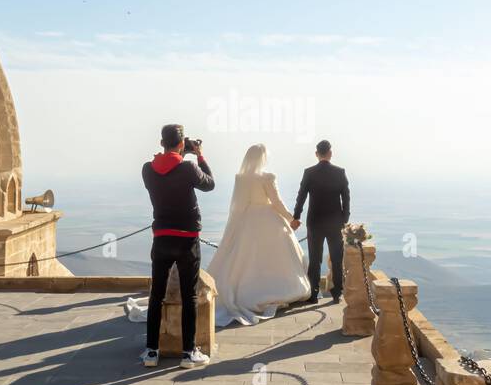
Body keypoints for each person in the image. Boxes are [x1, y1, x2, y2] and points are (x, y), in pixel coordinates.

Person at [205, 144, 310, 326]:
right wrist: (291, 218)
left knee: (246, 258)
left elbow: (238, 205)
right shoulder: (267, 177)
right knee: (274, 256)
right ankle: (276, 289)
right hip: (268, 219)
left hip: (247, 220)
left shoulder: (241, 178)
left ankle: (245, 291)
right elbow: (276, 202)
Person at [137, 124, 214, 369]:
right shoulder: (189, 167)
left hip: (161, 237)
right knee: (189, 294)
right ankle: (188, 353)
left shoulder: (147, 170)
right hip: (187, 238)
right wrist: (199, 154)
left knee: (156, 294)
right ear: (181, 144)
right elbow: (209, 184)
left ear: (162, 143)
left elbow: (167, 168)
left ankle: (151, 351)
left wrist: (181, 153)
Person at [291, 139, 350, 305]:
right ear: (330, 153)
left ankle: (313, 294)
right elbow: (346, 197)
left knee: (315, 258)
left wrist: (296, 216)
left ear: (316, 154)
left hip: (315, 221)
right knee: (337, 258)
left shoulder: (309, 172)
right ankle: (337, 293)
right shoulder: (340, 172)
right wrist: (344, 219)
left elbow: (301, 196)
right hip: (335, 222)